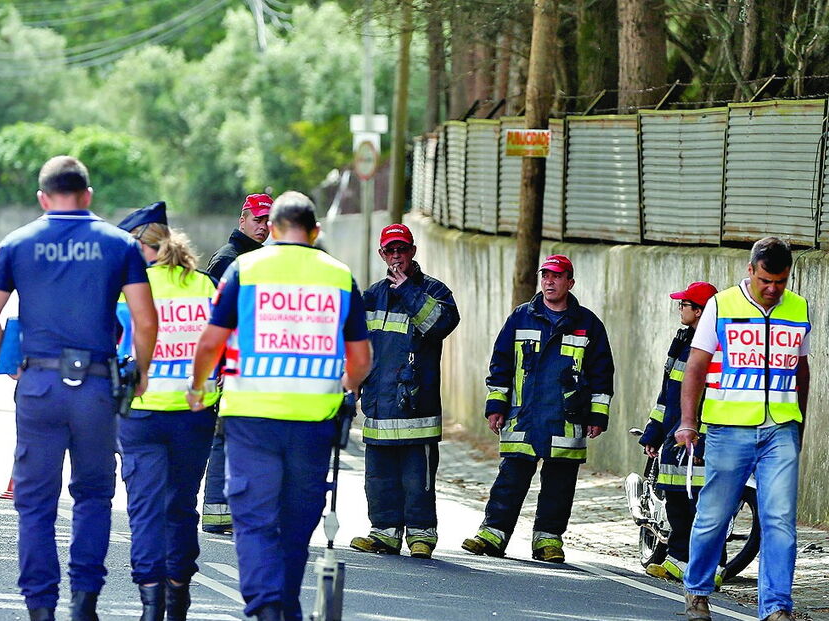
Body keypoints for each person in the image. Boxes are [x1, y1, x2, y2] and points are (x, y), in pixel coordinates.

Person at [0, 156, 158, 621]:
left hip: (38, 387)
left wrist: (15, 365)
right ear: (88, 195)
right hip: (96, 387)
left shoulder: (16, 244)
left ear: (42, 197)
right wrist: (140, 372)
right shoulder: (120, 245)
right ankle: (85, 602)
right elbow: (144, 320)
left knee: (35, 502)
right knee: (93, 496)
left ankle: (40, 608)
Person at [185, 191, 372, 621]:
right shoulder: (339, 276)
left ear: (272, 228)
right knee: (295, 522)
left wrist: (197, 386)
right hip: (313, 423)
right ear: (316, 232)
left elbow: (211, 341)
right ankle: (284, 602)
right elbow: (361, 360)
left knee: (252, 518)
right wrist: (345, 389)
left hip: (251, 419)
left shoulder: (244, 269)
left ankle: (268, 605)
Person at [676, 237, 811, 621]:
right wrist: (688, 422)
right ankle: (698, 589)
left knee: (780, 519)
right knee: (714, 516)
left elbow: (802, 371)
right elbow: (696, 367)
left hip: (781, 429)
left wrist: (800, 423)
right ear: (750, 270)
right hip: (728, 429)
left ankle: (777, 607)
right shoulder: (721, 305)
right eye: (766, 279)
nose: (772, 289)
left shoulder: (798, 307)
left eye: (780, 281)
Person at [461, 254, 614, 563]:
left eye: (556, 276)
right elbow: (501, 364)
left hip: (566, 420)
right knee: (511, 479)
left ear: (570, 282)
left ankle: (548, 540)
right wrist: (496, 405)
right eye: (545, 275)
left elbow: (602, 373)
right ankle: (493, 534)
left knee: (559, 485)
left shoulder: (588, 324)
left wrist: (598, 415)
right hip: (524, 416)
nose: (549, 281)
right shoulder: (520, 317)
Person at [114, 201, 219, 621]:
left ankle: (151, 603)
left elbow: (115, 344)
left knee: (144, 507)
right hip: (194, 412)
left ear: (142, 245)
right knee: (181, 506)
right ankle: (179, 596)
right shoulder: (205, 286)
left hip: (141, 410)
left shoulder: (132, 289)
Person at [349, 224, 460, 560]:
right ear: (382, 254)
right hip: (380, 406)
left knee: (418, 479)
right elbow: (357, 347)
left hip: (417, 409)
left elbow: (440, 325)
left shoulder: (435, 291)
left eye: (402, 249)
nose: (396, 256)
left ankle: (421, 535)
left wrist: (410, 291)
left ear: (413, 251)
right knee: (378, 478)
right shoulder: (371, 296)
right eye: (390, 250)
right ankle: (383, 533)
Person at [201, 192, 273, 534]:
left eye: (268, 221)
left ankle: (234, 509)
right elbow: (213, 319)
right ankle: (217, 510)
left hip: (252, 365)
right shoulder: (229, 259)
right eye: (257, 220)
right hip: (229, 367)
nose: (263, 227)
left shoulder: (261, 259)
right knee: (225, 437)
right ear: (242, 219)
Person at [638, 281, 718, 582]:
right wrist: (654, 432)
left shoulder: (713, 348)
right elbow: (667, 395)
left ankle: (705, 564)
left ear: (699, 311)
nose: (679, 308)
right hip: (675, 435)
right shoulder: (683, 342)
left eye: (684, 304)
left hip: (697, 439)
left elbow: (712, 398)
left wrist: (704, 438)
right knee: (676, 500)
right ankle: (677, 559)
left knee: (700, 505)